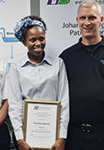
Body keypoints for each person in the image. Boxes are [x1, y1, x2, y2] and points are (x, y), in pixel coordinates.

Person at [8, 16, 69, 150]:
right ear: (24, 42)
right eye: (32, 40)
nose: (38, 43)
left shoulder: (58, 64)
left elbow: (64, 102)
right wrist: (20, 139)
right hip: (26, 137)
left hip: (53, 136)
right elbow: (14, 105)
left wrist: (62, 138)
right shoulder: (16, 67)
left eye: (41, 38)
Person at [60, 1, 104, 150]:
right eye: (83, 18)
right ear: (77, 21)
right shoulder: (66, 57)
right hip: (74, 136)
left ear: (101, 20)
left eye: (92, 18)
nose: (87, 23)